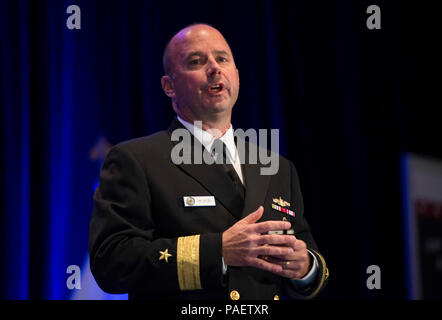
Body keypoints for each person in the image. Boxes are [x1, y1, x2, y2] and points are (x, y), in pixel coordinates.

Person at [89, 23, 328, 300]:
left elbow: (308, 255)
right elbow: (112, 262)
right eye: (196, 61)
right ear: (169, 86)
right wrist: (218, 252)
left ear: (236, 76)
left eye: (222, 59)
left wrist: (305, 268)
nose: (214, 68)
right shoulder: (136, 159)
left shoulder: (277, 166)